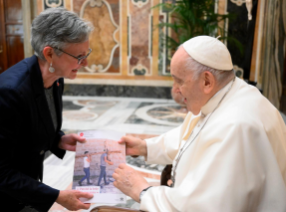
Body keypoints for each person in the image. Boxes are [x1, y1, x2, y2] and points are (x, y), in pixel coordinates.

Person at [113, 36, 286, 212]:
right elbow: (192, 137)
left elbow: (202, 207)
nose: (175, 90)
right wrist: (145, 147)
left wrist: (143, 192)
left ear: (207, 81)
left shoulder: (235, 127)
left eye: (179, 80)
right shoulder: (230, 94)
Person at [0, 8, 94, 212]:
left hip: (22, 188)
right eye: (79, 56)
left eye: (86, 53)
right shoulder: (8, 93)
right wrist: (57, 196)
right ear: (50, 53)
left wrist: (58, 140)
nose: (85, 62)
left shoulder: (55, 79)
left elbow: (32, 124)